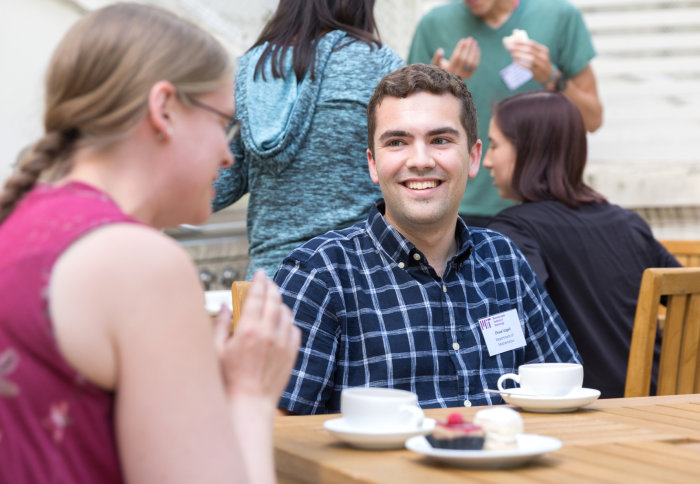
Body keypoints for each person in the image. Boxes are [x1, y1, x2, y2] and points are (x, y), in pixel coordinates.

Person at [0, 4, 300, 483]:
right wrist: (252, 396)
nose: (228, 154)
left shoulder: (20, 223)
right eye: (225, 123)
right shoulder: (139, 263)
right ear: (164, 109)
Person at [274, 64, 581, 414]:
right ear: (373, 165)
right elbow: (279, 433)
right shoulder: (320, 275)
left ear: (473, 157)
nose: (420, 161)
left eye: (440, 140)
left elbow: (562, 392)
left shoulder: (504, 261)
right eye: (397, 142)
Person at [484, 90, 680, 398]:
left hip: (580, 409)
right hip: (661, 401)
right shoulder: (628, 224)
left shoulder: (516, 230)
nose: (487, 162)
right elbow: (687, 297)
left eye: (495, 146)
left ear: (528, 149)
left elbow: (511, 324)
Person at [213, 0, 404, 279]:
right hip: (364, 279)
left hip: (274, 283)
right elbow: (406, 176)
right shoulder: (380, 64)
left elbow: (219, 186)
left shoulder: (249, 70)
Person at [407, 0, 603, 227]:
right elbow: (409, 126)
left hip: (543, 206)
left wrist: (552, 78)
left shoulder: (560, 17)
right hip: (458, 207)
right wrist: (444, 88)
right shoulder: (433, 25)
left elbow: (592, 119)